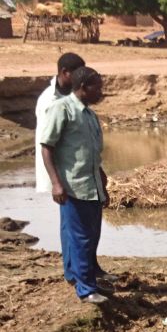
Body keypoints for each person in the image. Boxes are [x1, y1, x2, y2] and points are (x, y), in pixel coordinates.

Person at [38, 67, 111, 304]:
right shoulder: (62, 109)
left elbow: (91, 154)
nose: (100, 92)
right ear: (82, 87)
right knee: (80, 238)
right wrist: (56, 184)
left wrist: (102, 181)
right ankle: (86, 289)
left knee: (91, 237)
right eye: (96, 87)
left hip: (92, 187)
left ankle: (82, 278)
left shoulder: (89, 115)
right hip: (73, 187)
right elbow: (47, 147)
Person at [35, 52, 86, 193]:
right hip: (59, 173)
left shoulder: (73, 95)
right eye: (78, 73)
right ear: (65, 72)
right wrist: (56, 183)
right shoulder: (49, 101)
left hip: (75, 170)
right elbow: (47, 144)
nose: (81, 78)